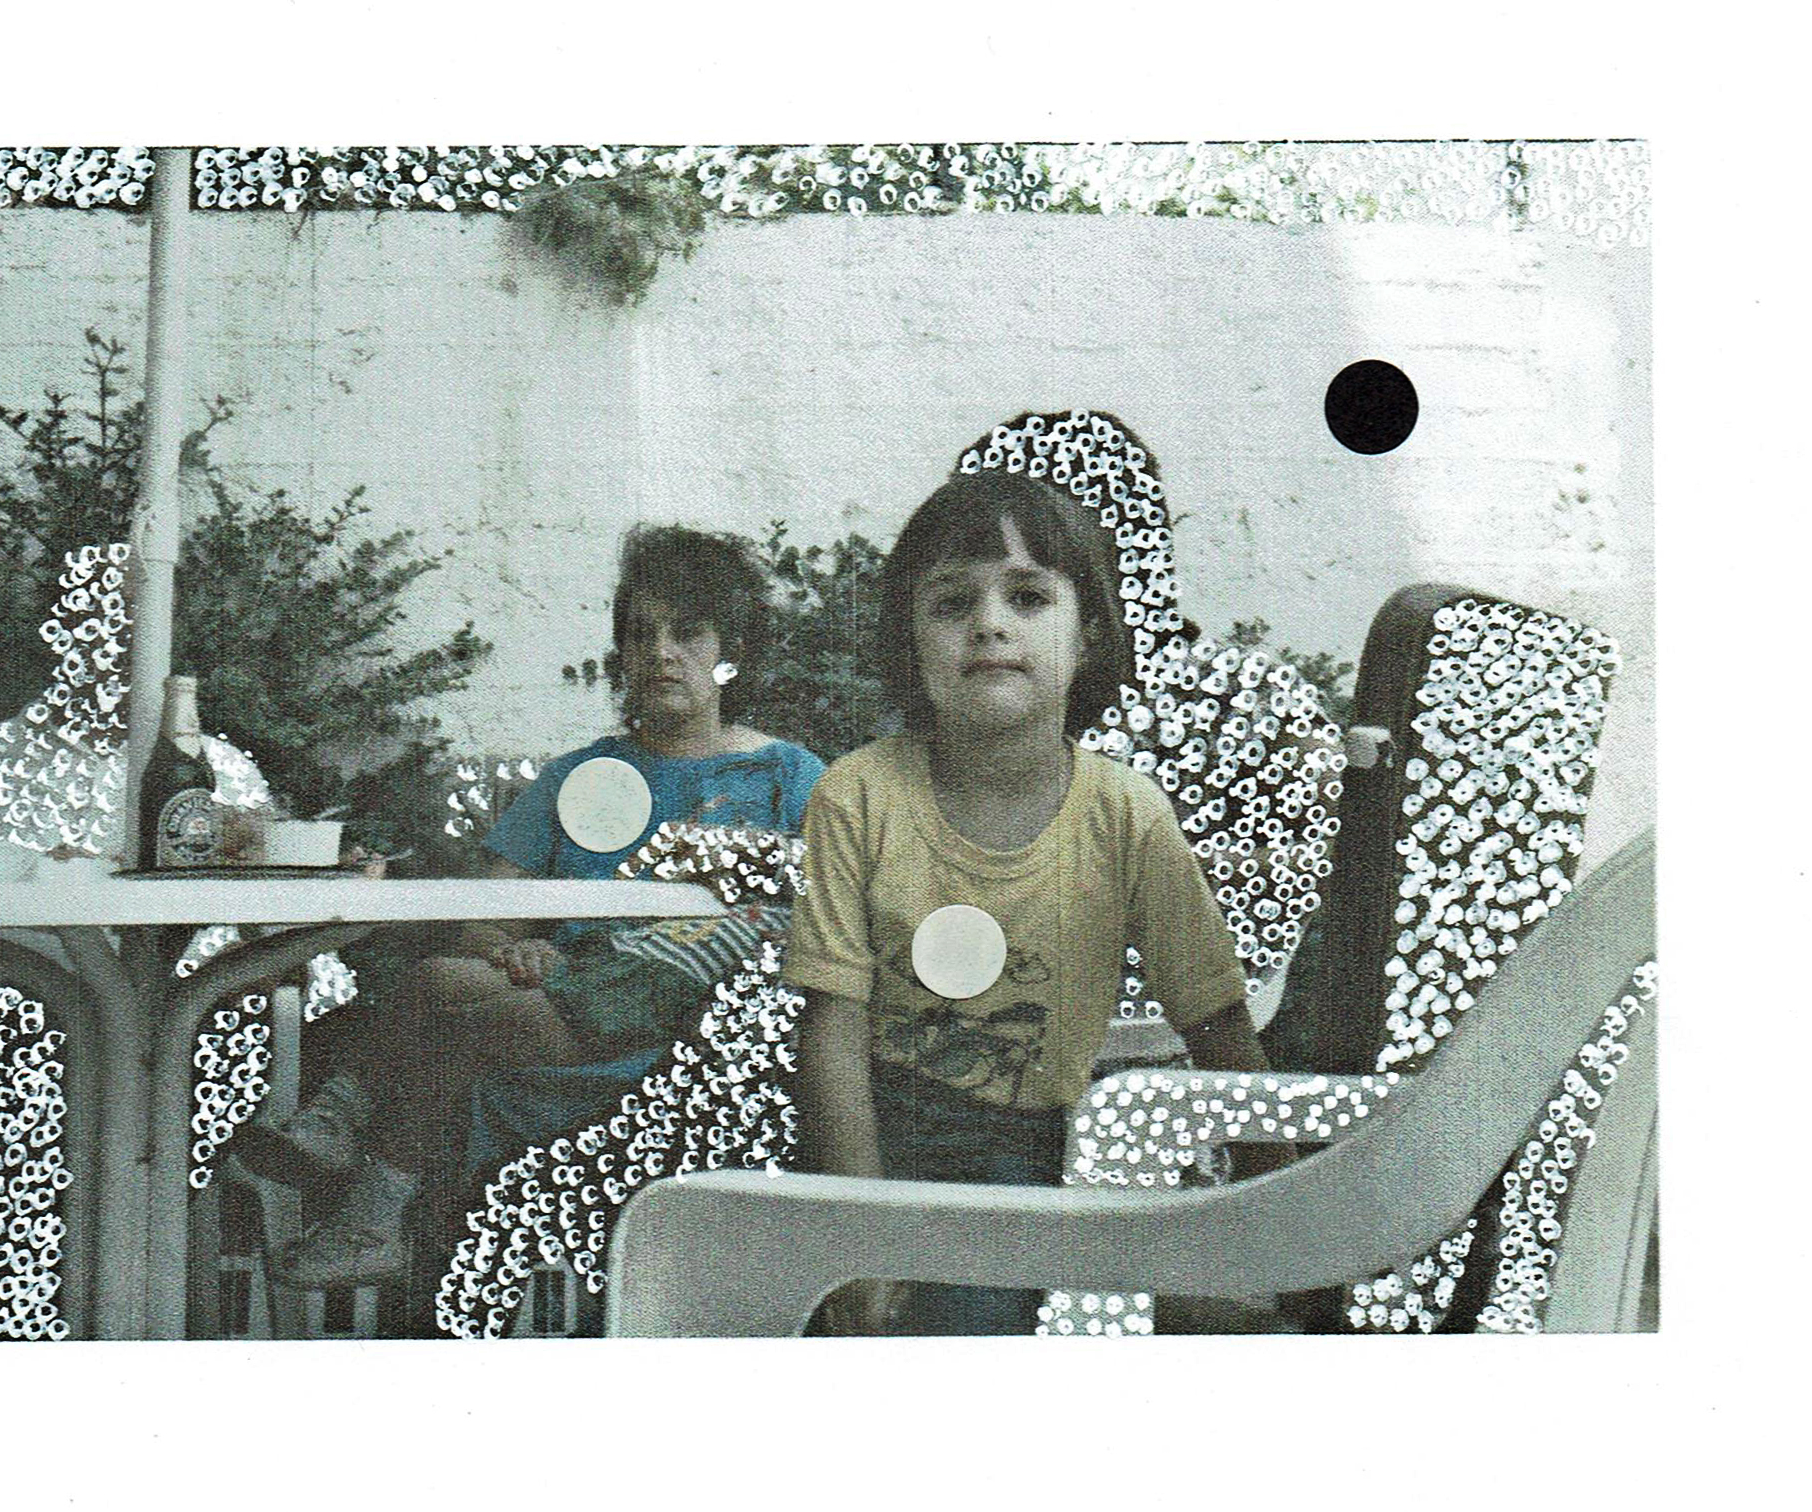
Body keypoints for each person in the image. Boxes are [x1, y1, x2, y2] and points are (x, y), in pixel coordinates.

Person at [231, 524, 825, 1297]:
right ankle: (349, 1161)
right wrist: (516, 953)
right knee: (445, 976)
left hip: (706, 1036)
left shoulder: (786, 776)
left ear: (730, 649)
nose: (661, 653)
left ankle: (360, 1185)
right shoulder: (581, 777)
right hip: (576, 1001)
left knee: (456, 1022)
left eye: (687, 632)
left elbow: (831, 916)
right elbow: (488, 914)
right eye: (640, 634)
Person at [784, 468, 1295, 1336]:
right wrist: (858, 1238)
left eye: (1026, 598)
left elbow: (1216, 1024)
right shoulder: (858, 795)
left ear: (1087, 636)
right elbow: (830, 1031)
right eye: (952, 604)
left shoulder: (1124, 814)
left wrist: (1285, 1229)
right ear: (910, 645)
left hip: (1035, 1152)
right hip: (869, 1140)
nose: (989, 623)